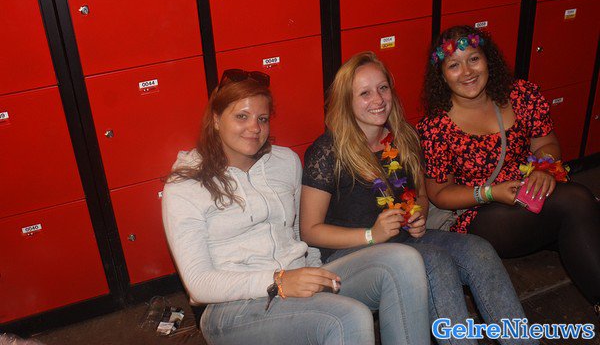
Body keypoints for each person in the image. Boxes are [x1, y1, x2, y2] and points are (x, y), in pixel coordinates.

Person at [161, 69, 430, 345]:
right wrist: (278, 280)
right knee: (349, 317)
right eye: (241, 116)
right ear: (216, 120)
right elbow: (199, 284)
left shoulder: (285, 162)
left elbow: (301, 234)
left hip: (299, 279)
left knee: (404, 260)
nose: (254, 128)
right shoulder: (186, 185)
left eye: (262, 118)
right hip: (232, 308)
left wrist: (315, 272)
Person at [301, 51, 536, 345]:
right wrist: (372, 235)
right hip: (348, 256)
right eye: (364, 93)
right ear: (346, 101)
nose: (378, 99)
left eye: (383, 88)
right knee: (434, 262)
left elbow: (422, 196)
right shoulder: (327, 151)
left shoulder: (404, 137)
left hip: (404, 241)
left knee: (479, 250)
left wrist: (418, 215)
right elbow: (309, 230)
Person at [417, 25, 600, 316]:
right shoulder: (435, 127)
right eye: (454, 65)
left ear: (487, 59)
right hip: (483, 214)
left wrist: (543, 168)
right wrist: (491, 192)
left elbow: (547, 143)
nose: (467, 72)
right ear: (442, 75)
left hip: (531, 194)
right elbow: (439, 193)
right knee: (577, 201)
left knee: (581, 220)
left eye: (473, 59)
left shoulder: (522, 94)